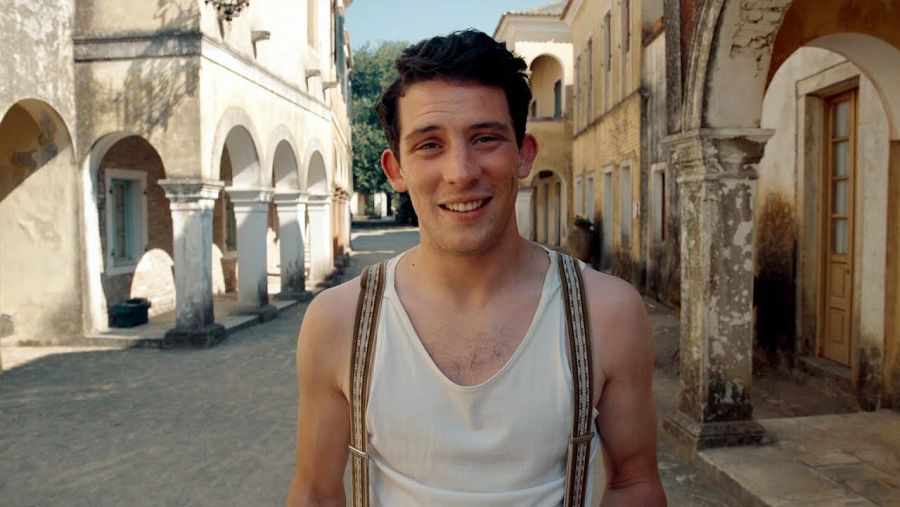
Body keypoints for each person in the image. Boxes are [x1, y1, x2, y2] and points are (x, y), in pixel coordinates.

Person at [286, 30, 665, 506]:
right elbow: (316, 493)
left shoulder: (605, 313)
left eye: (485, 138)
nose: (461, 172)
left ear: (524, 154)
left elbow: (635, 482)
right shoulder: (340, 321)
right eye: (429, 145)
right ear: (395, 170)